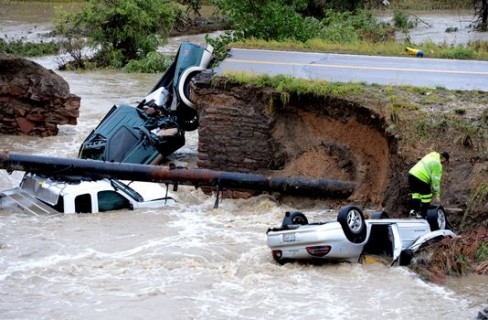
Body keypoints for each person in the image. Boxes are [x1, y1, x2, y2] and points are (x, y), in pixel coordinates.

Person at [408, 151, 449, 218]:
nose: (443, 163)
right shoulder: (437, 164)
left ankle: (413, 211)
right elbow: (435, 181)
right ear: (443, 159)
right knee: (427, 196)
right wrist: (437, 194)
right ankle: (423, 214)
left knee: (416, 194)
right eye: (444, 162)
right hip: (421, 177)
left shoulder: (430, 156)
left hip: (411, 174)